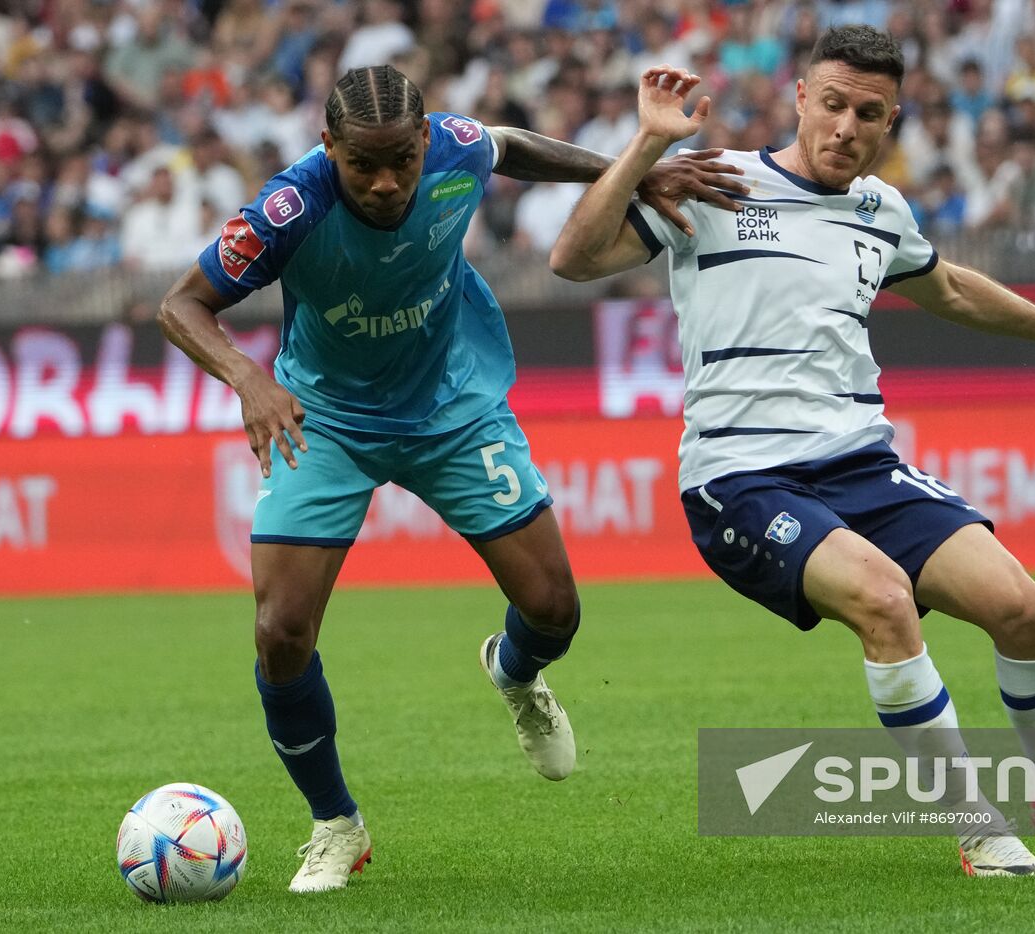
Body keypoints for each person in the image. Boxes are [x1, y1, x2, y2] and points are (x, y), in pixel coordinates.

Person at [550, 27, 1035, 878]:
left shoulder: (882, 209)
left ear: (891, 123)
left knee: (1023, 608)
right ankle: (972, 822)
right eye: (834, 104)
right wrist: (650, 144)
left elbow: (949, 286)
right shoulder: (715, 184)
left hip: (862, 465)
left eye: (869, 113)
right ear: (801, 99)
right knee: (886, 602)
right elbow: (572, 258)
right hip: (741, 477)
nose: (847, 126)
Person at [158, 64, 742, 894]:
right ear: (329, 148)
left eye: (403, 158)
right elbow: (180, 305)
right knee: (281, 630)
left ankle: (514, 668)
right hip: (324, 419)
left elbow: (514, 147)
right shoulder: (288, 209)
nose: (388, 181)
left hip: (453, 407)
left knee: (555, 610)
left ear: (428, 139)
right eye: (364, 164)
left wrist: (634, 168)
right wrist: (251, 380)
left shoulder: (456, 150)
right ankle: (335, 824)